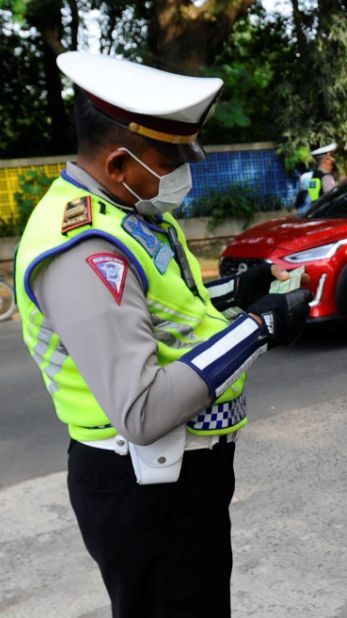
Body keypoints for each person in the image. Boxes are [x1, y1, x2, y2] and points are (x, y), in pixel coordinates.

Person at [15, 51, 312, 618]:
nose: (182, 173)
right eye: (169, 159)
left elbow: (162, 311)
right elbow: (143, 409)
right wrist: (259, 327)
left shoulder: (131, 207)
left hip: (182, 480)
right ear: (120, 162)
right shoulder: (83, 246)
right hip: (146, 488)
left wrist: (240, 292)